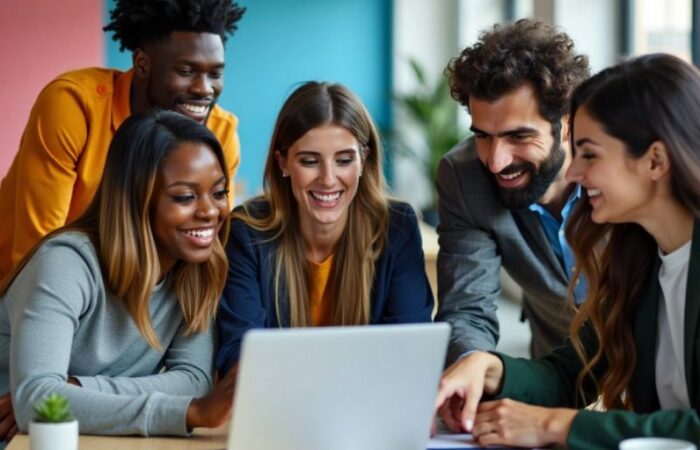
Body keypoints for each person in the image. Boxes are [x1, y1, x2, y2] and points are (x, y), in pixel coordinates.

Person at [434, 53, 700, 449]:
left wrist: (558, 426)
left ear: (656, 160)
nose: (573, 173)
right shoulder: (639, 262)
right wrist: (489, 368)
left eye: (589, 154)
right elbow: (575, 370)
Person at [0, 111, 236, 444]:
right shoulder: (66, 263)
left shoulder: (198, 269)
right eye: (184, 197)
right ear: (135, 199)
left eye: (219, 193)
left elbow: (193, 381)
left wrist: (80, 387)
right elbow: (38, 404)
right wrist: (188, 412)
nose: (210, 211)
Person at [0, 0, 246, 284]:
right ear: (142, 64)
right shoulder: (75, 105)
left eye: (215, 74)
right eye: (186, 71)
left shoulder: (220, 132)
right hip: (28, 291)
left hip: (129, 293)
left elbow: (203, 238)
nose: (204, 89)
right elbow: (38, 249)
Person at [215, 81, 434, 374]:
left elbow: (411, 350)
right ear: (283, 162)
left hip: (368, 405)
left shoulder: (397, 227)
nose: (328, 179)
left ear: (363, 159)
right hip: (281, 407)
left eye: (344, 160)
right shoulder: (246, 232)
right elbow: (237, 354)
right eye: (309, 161)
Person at [435, 19, 590, 362]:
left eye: (518, 136)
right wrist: (473, 368)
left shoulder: (620, 165)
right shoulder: (464, 177)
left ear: (566, 124)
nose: (495, 162)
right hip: (554, 372)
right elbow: (466, 308)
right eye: (483, 136)